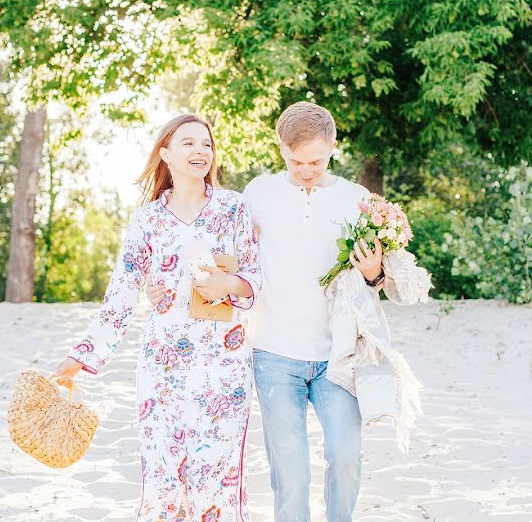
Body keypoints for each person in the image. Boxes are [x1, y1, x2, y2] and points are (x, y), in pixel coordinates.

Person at [148, 102, 388, 522]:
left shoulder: (357, 199)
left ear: (333, 147)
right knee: (290, 471)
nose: (305, 169)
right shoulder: (257, 193)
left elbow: (379, 280)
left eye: (315, 160)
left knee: (346, 458)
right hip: (274, 354)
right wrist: (166, 287)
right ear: (280, 149)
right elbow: (218, 253)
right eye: (295, 161)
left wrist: (373, 273)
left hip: (339, 356)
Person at [53, 114, 262, 522]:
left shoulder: (234, 208)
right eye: (188, 143)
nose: (201, 151)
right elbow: (121, 295)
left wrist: (229, 284)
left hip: (224, 364)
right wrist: (79, 359)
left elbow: (256, 275)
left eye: (206, 143)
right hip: (162, 366)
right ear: (165, 153)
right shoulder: (147, 220)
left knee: (212, 481)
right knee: (163, 479)